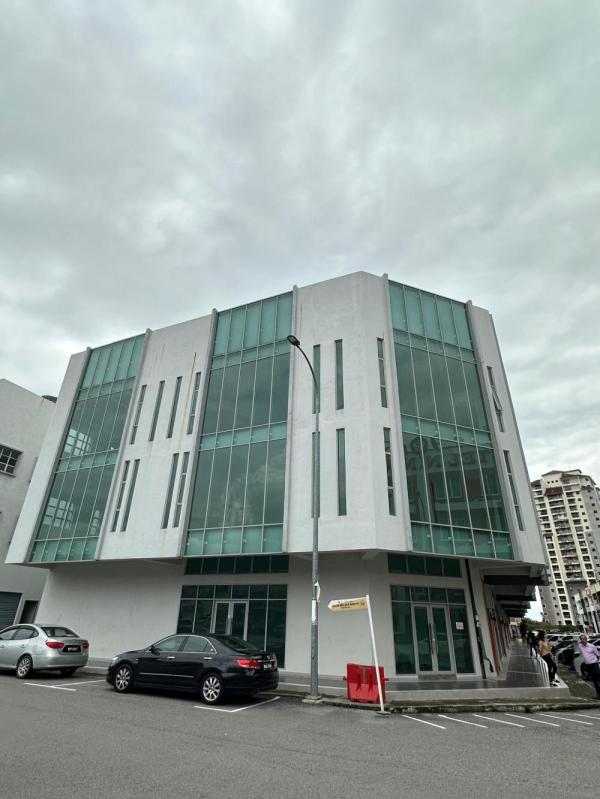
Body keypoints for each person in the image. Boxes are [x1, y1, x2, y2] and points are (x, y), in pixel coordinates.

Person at [578, 634, 600, 699]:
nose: (583, 640)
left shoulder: (592, 646)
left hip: (594, 664)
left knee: (598, 678)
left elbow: (598, 655)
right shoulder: (580, 646)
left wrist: (594, 661)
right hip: (588, 665)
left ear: (586, 639)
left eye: (584, 638)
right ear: (580, 640)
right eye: (581, 639)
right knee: (594, 680)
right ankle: (598, 694)